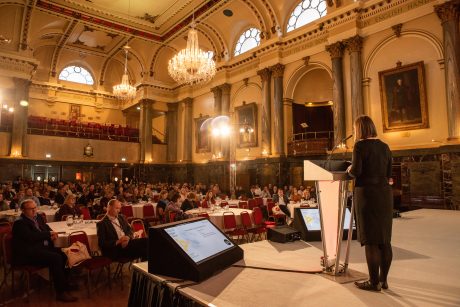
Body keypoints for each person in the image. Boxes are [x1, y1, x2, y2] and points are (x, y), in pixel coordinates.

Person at [347, 115, 393, 292]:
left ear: (360, 129)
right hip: (384, 195)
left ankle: (373, 283)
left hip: (367, 196)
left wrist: (349, 170)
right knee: (384, 239)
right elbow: (389, 173)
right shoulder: (385, 146)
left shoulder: (360, 146)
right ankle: (383, 280)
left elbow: (356, 171)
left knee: (371, 241)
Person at [12, 200, 78, 302]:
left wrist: (51, 234)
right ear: (23, 210)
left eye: (35, 208)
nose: (34, 211)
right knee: (56, 258)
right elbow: (31, 237)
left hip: (41, 248)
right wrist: (48, 234)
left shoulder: (37, 217)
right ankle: (60, 293)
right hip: (28, 253)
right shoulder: (19, 223)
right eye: (31, 209)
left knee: (65, 253)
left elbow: (45, 228)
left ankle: (65, 284)